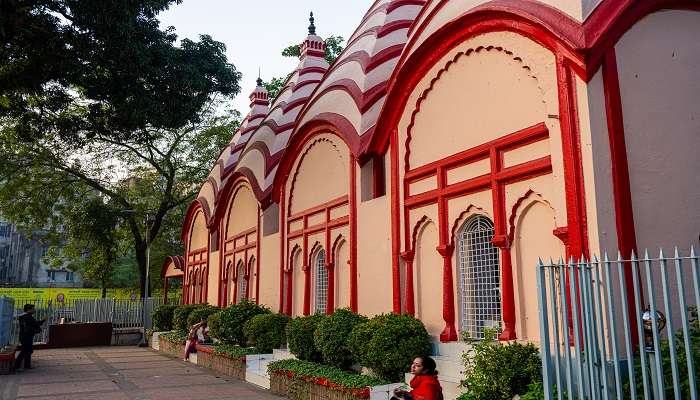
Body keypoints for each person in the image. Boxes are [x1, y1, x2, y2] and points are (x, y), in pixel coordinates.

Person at [15, 304, 47, 371]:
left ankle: (27, 365)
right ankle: (16, 366)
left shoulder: (25, 317)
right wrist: (43, 321)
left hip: (25, 336)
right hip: (26, 337)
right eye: (33, 309)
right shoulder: (27, 317)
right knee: (24, 351)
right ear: (29, 309)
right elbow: (34, 324)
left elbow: (34, 324)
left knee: (28, 351)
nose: (34, 310)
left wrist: (42, 321)